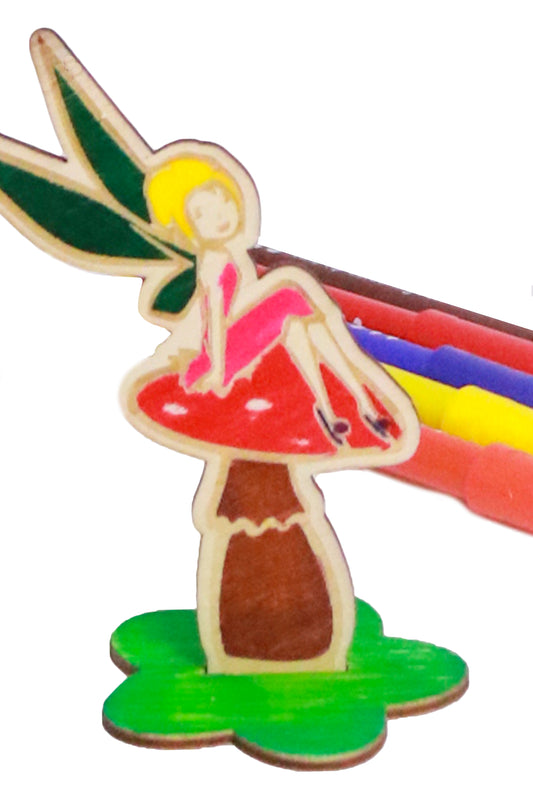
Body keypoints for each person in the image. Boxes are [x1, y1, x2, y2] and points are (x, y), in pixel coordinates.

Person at [144, 146, 413, 450]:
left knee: (299, 325)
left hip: (237, 341)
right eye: (202, 214)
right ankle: (362, 399)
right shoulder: (212, 262)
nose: (218, 216)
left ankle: (330, 408)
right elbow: (215, 322)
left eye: (223, 202)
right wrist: (218, 370)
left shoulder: (229, 254)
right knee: (293, 289)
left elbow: (237, 308)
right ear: (190, 226)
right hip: (223, 354)